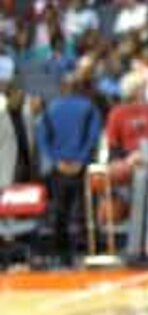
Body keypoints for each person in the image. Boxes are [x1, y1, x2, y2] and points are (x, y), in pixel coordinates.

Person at [36, 74, 102, 266]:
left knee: (59, 210)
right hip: (81, 167)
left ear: (62, 88)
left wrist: (56, 160)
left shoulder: (50, 109)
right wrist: (80, 160)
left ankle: (60, 252)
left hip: (59, 168)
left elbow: (42, 138)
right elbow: (93, 137)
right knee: (86, 209)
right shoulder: (89, 108)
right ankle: (87, 250)